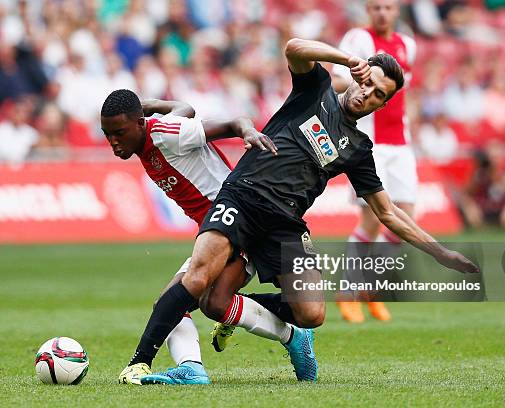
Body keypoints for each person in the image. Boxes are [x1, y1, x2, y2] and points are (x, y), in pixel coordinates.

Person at [120, 37, 479, 385]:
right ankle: (139, 363)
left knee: (312, 314)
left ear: (382, 105)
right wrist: (345, 58)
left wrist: (442, 252)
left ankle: (248, 314)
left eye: (379, 95)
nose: (368, 94)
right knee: (199, 280)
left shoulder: (357, 149)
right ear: (359, 75)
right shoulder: (316, 89)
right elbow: (294, 48)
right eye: (368, 83)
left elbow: (388, 213)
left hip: (286, 223)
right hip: (241, 199)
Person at [101, 90, 318, 385]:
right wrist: (149, 105)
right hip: (219, 231)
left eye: (119, 133)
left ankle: (144, 363)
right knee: (206, 304)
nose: (113, 142)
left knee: (179, 302)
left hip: (237, 219)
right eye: (107, 134)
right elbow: (185, 109)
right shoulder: (151, 137)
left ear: (139, 123)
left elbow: (233, 122)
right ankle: (196, 367)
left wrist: (248, 131)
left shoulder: (166, 134)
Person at [331, 0, 417, 322]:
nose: (383, 12)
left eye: (389, 7)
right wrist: (362, 85)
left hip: (402, 144)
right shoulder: (358, 40)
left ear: (397, 11)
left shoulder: (408, 45)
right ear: (369, 9)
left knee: (405, 221)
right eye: (377, 7)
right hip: (371, 143)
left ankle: (367, 286)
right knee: (372, 220)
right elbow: (337, 80)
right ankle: (348, 291)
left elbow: (405, 92)